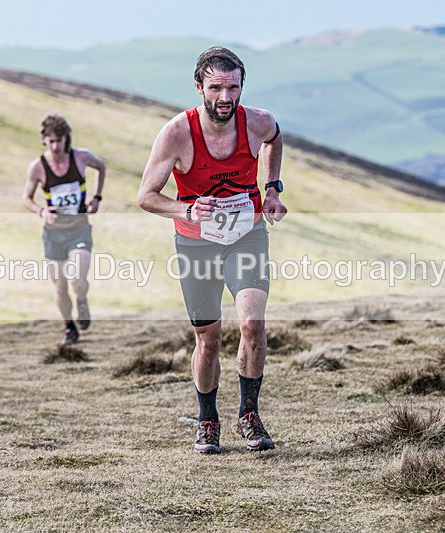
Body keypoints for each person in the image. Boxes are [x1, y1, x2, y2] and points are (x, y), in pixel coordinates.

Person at [137, 47, 287, 454]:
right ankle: (207, 420)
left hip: (247, 236)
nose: (225, 97)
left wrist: (271, 189)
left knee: (253, 326)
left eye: (233, 88)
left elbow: (275, 138)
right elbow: (146, 196)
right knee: (209, 338)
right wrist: (186, 208)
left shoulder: (257, 122)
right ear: (199, 87)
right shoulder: (176, 134)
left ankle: (249, 415)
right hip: (196, 243)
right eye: (216, 88)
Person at [23, 114, 106, 345]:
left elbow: (101, 166)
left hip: (79, 229)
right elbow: (26, 198)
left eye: (59, 140)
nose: (55, 146)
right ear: (44, 141)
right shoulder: (38, 167)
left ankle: (82, 300)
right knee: (59, 286)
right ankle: (69, 327)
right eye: (50, 141)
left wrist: (97, 197)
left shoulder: (80, 157)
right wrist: (42, 212)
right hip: (53, 234)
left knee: (77, 280)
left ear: (66, 139)